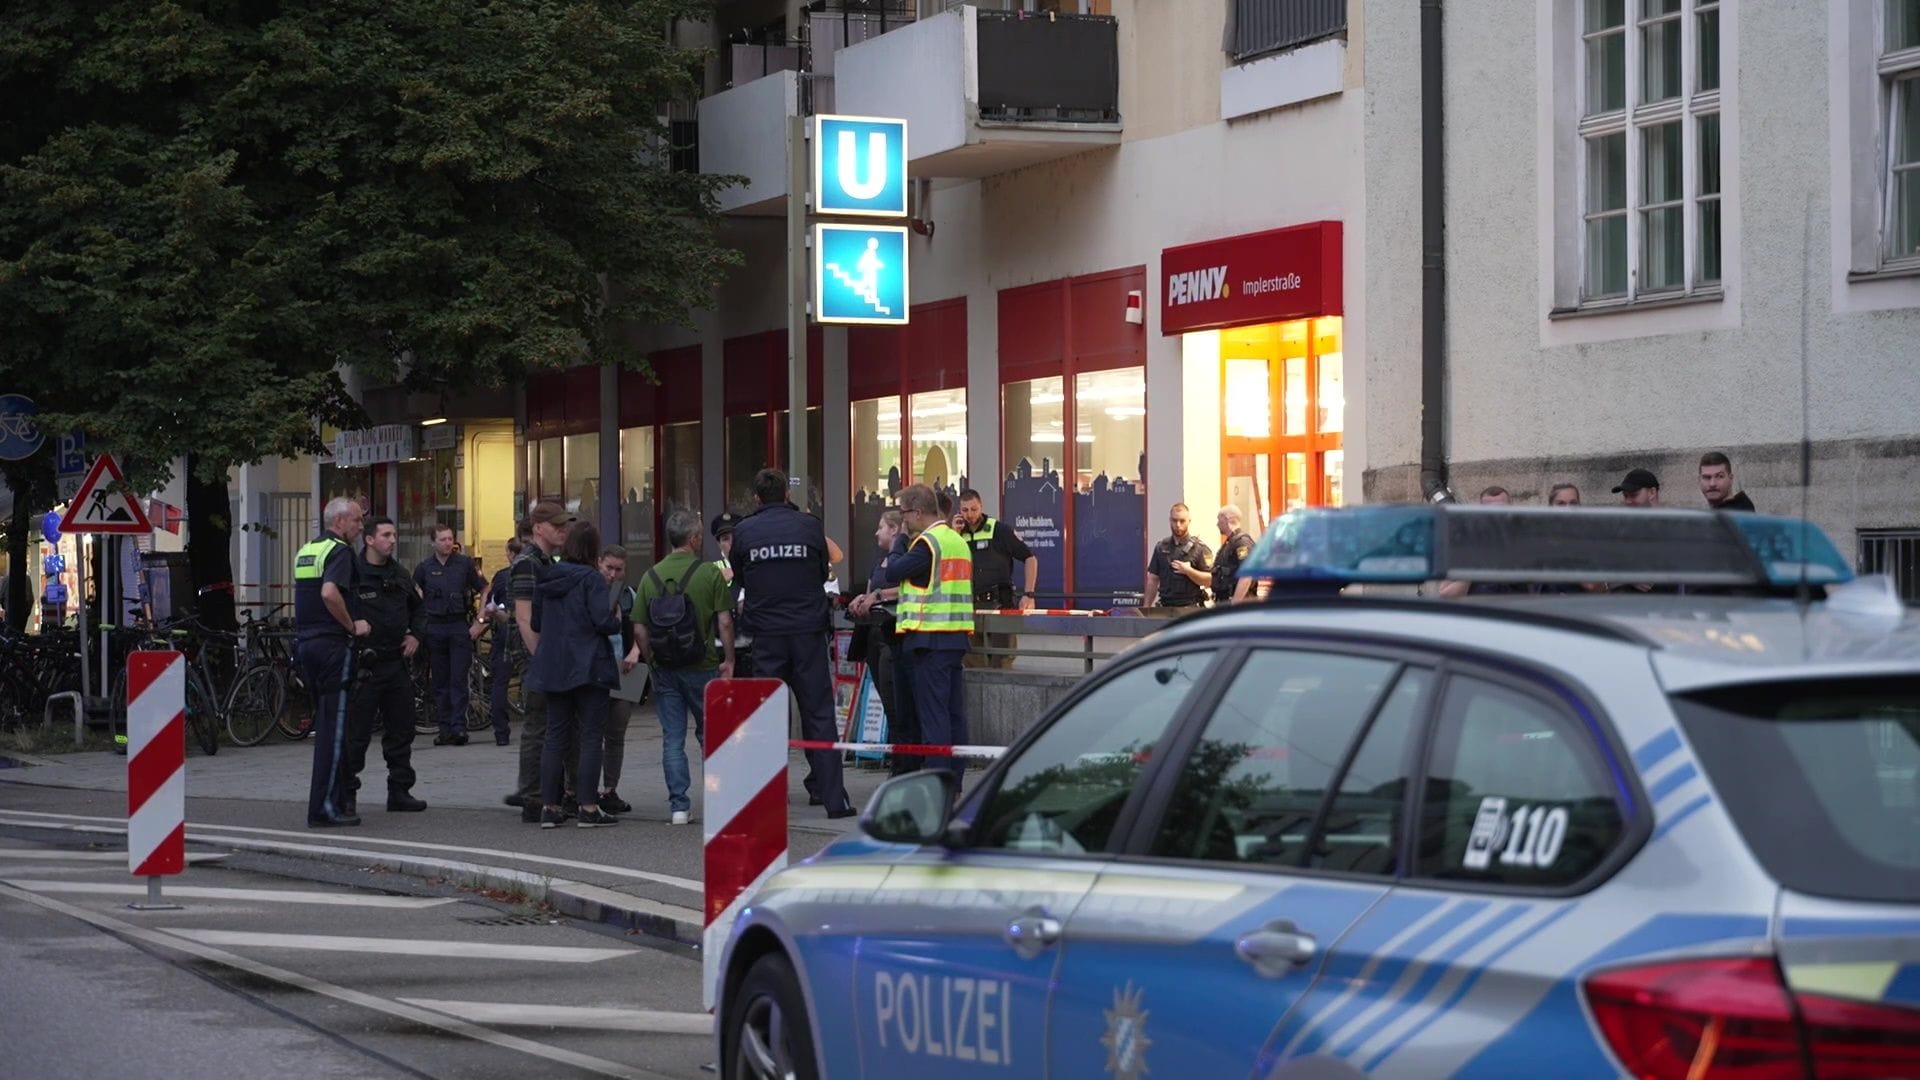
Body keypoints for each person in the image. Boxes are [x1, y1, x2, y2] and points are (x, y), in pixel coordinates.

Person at [730, 468, 853, 819]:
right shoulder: (810, 525)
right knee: (819, 714)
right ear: (786, 493)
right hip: (808, 634)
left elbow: (740, 578)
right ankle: (834, 799)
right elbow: (820, 572)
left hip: (767, 637)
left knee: (768, 718)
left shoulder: (744, 531)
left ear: (756, 498)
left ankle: (770, 802)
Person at [636, 510, 736, 825]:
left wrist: (650, 658)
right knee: (711, 736)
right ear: (693, 539)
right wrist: (729, 659)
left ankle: (679, 807)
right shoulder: (709, 574)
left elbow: (639, 629)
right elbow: (724, 622)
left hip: (665, 669)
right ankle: (718, 802)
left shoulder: (649, 577)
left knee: (672, 738)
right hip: (703, 666)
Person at [526, 519, 623, 829]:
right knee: (591, 736)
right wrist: (615, 618)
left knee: (555, 735)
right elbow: (601, 621)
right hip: (589, 666)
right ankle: (588, 806)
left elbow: (537, 623)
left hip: (554, 666)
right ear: (593, 549)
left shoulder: (547, 576)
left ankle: (550, 807)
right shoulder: (591, 579)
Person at [883, 483, 973, 778]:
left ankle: (937, 785)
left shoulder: (927, 543)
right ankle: (955, 780)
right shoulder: (955, 540)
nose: (903, 520)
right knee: (953, 715)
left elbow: (892, 572)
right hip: (955, 636)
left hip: (930, 639)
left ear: (918, 512)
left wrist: (898, 542)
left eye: (904, 514)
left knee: (933, 717)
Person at [341, 516, 426, 815]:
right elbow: (337, 608)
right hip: (365, 663)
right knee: (356, 733)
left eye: (394, 534)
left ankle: (400, 791)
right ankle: (346, 794)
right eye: (387, 535)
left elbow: (420, 608)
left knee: (402, 729)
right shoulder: (353, 573)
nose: (392, 540)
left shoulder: (400, 574)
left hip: (395, 663)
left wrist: (415, 634)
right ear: (369, 539)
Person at [296, 497, 371, 828]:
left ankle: (337, 800)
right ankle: (324, 807)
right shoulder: (341, 552)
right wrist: (351, 625)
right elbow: (329, 593)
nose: (360, 527)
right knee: (334, 730)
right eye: (356, 520)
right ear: (339, 521)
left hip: (306, 645)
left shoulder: (308, 550)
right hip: (331, 646)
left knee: (326, 726)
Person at [509, 500, 578, 823]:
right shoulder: (528, 563)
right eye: (556, 525)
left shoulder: (547, 560)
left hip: (546, 655)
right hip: (535, 657)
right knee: (538, 726)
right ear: (538, 528)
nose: (562, 530)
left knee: (549, 725)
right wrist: (541, 658)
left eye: (565, 524)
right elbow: (524, 618)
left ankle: (545, 792)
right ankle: (533, 797)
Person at [849, 509, 921, 775]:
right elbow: (870, 593)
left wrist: (877, 595)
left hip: (896, 636)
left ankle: (905, 764)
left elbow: (908, 589)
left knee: (897, 703)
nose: (876, 532)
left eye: (881, 527)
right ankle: (899, 758)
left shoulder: (907, 557)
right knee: (888, 700)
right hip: (874, 636)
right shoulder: (877, 562)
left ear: (894, 529)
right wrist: (861, 599)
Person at [414, 524, 488, 746]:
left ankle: (459, 728)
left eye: (450, 539)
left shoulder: (464, 565)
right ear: (433, 543)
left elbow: (485, 589)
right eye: (443, 539)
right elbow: (413, 596)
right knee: (439, 681)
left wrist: (480, 621)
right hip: (434, 628)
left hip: (458, 626)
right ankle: (444, 728)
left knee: (458, 679)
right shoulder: (424, 568)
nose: (447, 543)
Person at [954, 489, 1036, 670]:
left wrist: (1029, 594)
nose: (970, 515)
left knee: (1002, 664)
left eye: (974, 509)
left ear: (981, 506)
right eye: (965, 510)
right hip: (969, 608)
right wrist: (953, 533)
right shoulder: (956, 534)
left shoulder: (999, 530)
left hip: (1000, 604)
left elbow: (1030, 558)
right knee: (973, 665)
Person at [595, 544, 640, 815]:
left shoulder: (629, 595)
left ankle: (610, 789)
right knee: (590, 735)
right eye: (608, 568)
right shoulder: (592, 591)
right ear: (599, 563)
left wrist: (635, 652)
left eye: (618, 569)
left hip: (623, 671)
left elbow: (641, 629)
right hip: (596, 672)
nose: (612, 574)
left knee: (616, 735)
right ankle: (581, 790)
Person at [484, 533, 525, 745]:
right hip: (527, 633)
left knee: (499, 683)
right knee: (529, 680)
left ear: (510, 554)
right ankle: (533, 727)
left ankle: (501, 733)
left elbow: (490, 603)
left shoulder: (501, 577)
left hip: (504, 634)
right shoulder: (535, 573)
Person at [1144, 503, 1212, 609]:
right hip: (1164, 608)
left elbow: (1209, 580)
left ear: (1189, 521)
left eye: (1182, 521)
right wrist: (1146, 607)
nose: (1178, 525)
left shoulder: (1200, 548)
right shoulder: (1161, 547)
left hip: (1189, 609)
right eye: (1174, 520)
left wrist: (1188, 571)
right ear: (1170, 520)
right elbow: (1153, 579)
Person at [1211, 506, 1258, 605]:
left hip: (1239, 606)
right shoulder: (1230, 543)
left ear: (1226, 519)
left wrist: (1234, 604)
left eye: (1219, 520)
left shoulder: (1242, 543)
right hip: (1225, 602)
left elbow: (1246, 575)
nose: (1217, 524)